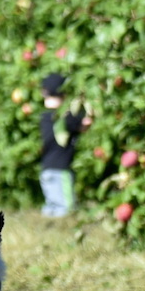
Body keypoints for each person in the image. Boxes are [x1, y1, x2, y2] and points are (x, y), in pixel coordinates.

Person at [37, 73, 89, 217]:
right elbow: (85, 124)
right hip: (61, 170)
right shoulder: (66, 119)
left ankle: (46, 229)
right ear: (64, 94)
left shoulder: (45, 117)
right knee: (67, 207)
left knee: (52, 205)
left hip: (46, 170)